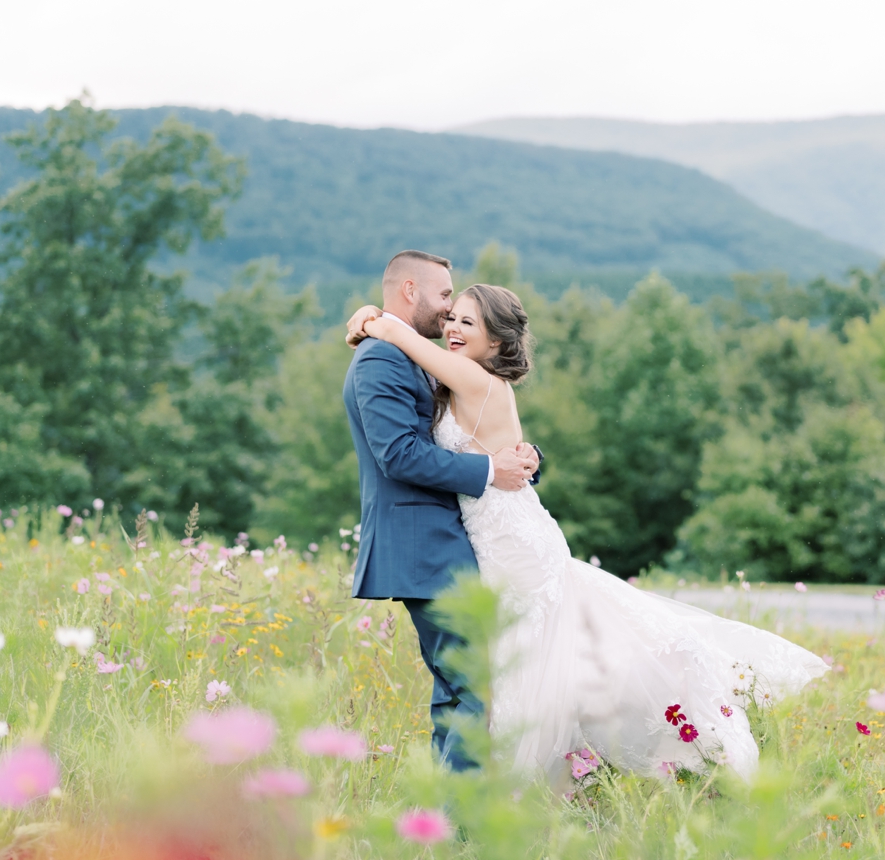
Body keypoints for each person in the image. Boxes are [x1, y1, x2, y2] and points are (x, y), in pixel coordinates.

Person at [344, 282, 827, 784]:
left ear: (496, 343)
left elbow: (404, 338)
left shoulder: (470, 376)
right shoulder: (464, 378)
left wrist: (371, 318)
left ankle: (537, 782)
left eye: (469, 323)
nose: (452, 328)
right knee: (531, 659)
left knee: (536, 658)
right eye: (452, 318)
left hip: (512, 539)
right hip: (493, 533)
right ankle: (532, 784)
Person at [342, 250, 540, 771]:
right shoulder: (383, 357)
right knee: (473, 686)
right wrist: (489, 473)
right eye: (446, 297)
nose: (449, 312)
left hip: (455, 540)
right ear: (411, 290)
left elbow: (478, 430)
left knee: (462, 687)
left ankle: (448, 816)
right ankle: (459, 824)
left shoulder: (415, 355)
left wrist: (523, 457)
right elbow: (398, 454)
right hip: (424, 544)